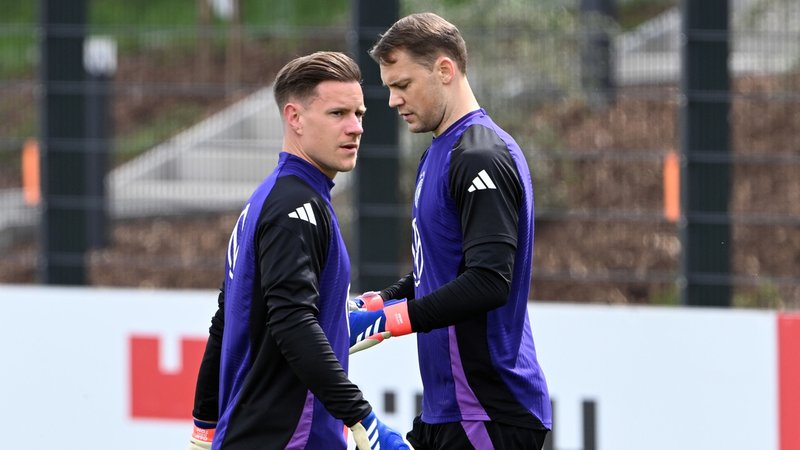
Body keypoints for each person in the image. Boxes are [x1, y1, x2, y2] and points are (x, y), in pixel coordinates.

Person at [348, 13, 552, 450]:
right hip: (453, 408)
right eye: (388, 87)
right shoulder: (441, 150)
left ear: (445, 70)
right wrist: (379, 302)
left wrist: (390, 321)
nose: (392, 100)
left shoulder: (479, 154)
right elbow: (441, 271)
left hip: (488, 409)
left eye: (402, 85)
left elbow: (488, 280)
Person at [185, 51, 409, 450]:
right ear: (295, 117)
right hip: (289, 439)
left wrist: (205, 424)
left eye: (359, 114)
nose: (355, 128)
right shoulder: (295, 208)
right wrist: (363, 419)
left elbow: (229, 318)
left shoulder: (271, 197)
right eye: (338, 114)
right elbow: (292, 323)